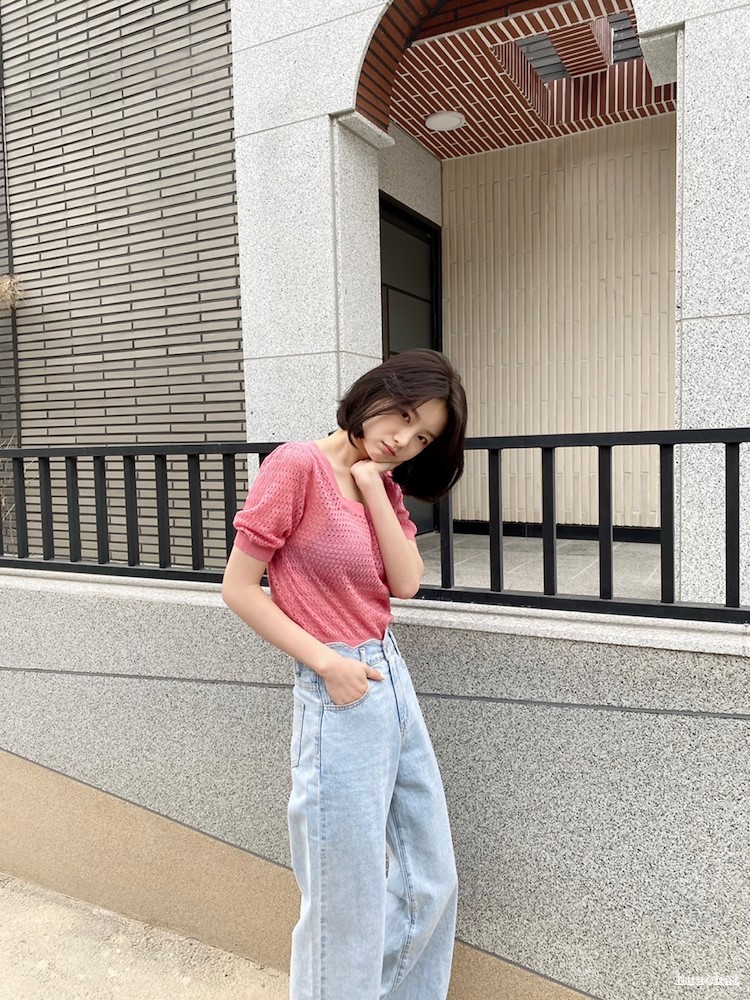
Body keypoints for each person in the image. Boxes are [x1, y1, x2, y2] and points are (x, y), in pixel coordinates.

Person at [221, 349, 468, 1000]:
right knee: (344, 903)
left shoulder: (381, 484)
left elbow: (406, 583)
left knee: (430, 878)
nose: (404, 440)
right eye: (405, 416)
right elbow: (239, 588)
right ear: (375, 393)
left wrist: (372, 485)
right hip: (339, 685)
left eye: (423, 438)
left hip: (391, 676)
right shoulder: (295, 466)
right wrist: (329, 664)